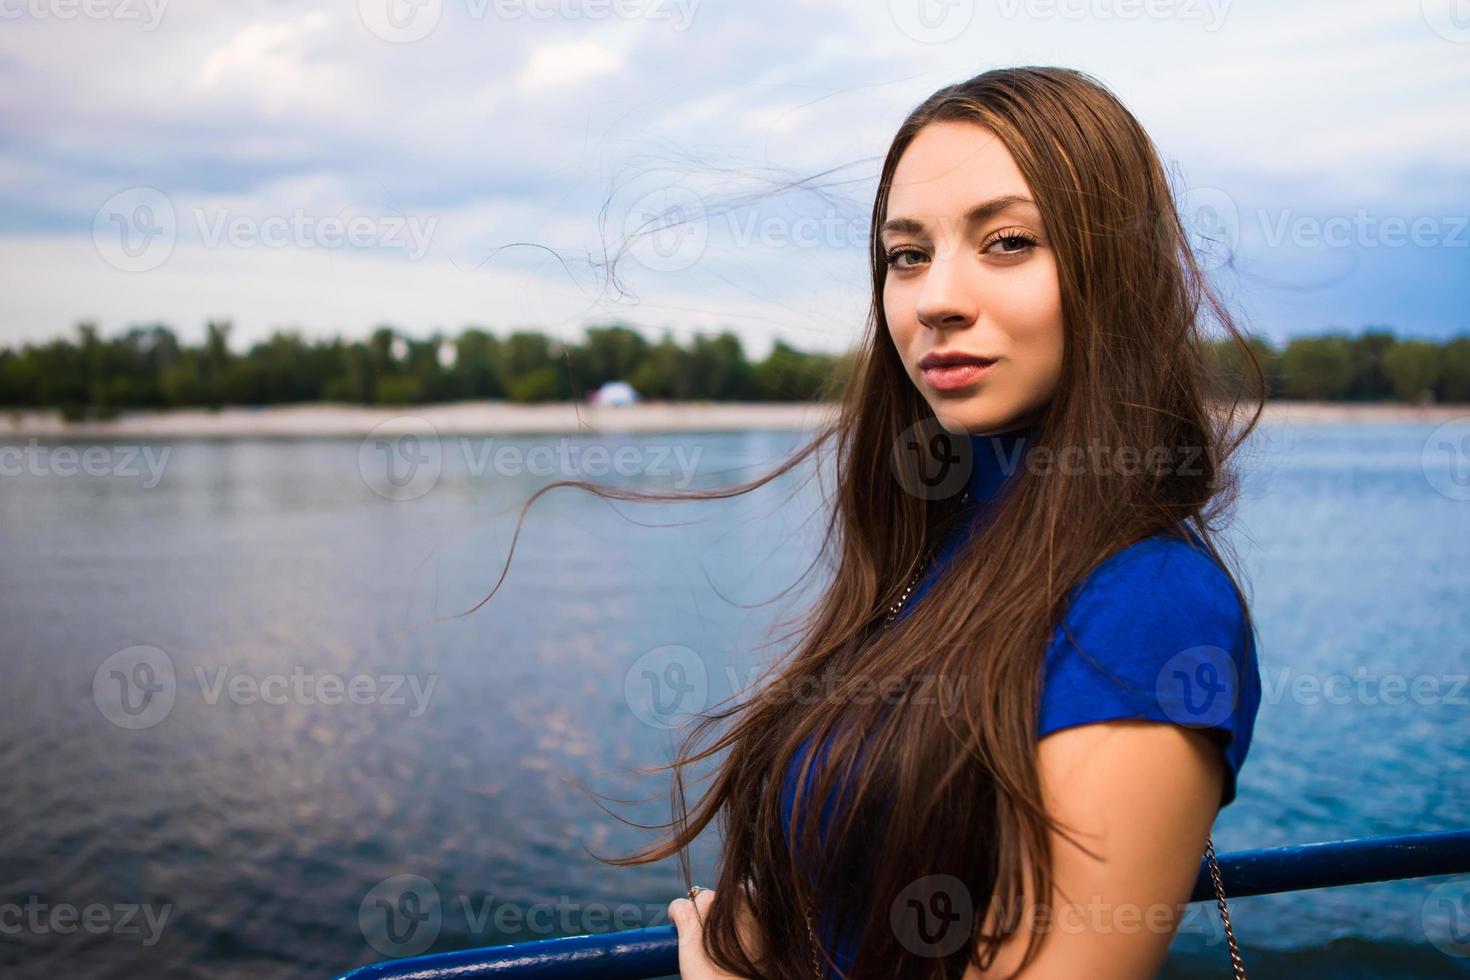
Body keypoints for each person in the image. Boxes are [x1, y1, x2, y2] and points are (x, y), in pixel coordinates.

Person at [555, 64, 1266, 979]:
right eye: (907, 254)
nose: (935, 299)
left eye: (1006, 242)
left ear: (1112, 272)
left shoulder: (1153, 607)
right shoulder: (932, 550)